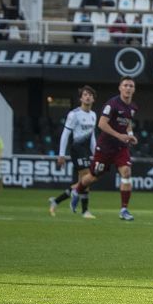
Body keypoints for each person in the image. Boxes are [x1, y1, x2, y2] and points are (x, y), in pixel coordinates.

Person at [68, 77, 139, 221]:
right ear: (120, 88)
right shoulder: (112, 104)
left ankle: (124, 209)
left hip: (121, 147)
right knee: (93, 176)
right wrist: (119, 135)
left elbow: (128, 123)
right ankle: (77, 190)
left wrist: (130, 135)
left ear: (134, 89)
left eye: (131, 86)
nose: (128, 88)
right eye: (125, 85)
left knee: (126, 172)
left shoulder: (133, 107)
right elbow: (101, 124)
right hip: (105, 147)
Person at [48, 86, 97, 218]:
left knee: (84, 181)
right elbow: (65, 134)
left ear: (93, 99)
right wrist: (61, 154)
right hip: (77, 149)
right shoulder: (74, 114)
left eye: (90, 95)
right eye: (85, 95)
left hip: (86, 150)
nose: (87, 96)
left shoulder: (93, 115)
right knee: (87, 177)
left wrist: (97, 154)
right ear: (81, 98)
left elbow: (92, 137)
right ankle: (85, 211)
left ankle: (57, 201)